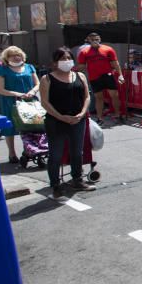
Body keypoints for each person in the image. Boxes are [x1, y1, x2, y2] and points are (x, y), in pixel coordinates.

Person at [39, 47, 93, 196]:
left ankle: (77, 180)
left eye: (69, 58)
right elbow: (45, 102)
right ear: (55, 62)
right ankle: (56, 185)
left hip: (78, 120)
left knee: (77, 152)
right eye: (62, 58)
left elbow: (87, 97)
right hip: (56, 121)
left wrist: (81, 114)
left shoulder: (80, 76)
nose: (66, 61)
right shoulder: (47, 79)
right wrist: (61, 116)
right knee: (55, 155)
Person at [0, 46, 41, 163]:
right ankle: (12, 153)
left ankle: (30, 149)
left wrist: (32, 91)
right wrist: (18, 94)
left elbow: (38, 84)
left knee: (31, 126)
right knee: (10, 128)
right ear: (7, 58)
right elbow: (0, 89)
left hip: (30, 101)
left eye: (18, 55)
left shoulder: (29, 67)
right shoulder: (2, 70)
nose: (16, 57)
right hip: (10, 102)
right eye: (12, 55)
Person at [76, 32, 125, 124]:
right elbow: (81, 66)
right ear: (88, 40)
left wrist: (120, 75)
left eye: (97, 39)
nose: (95, 41)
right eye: (93, 39)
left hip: (108, 75)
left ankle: (118, 115)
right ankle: (99, 118)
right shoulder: (84, 52)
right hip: (94, 77)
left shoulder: (108, 49)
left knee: (114, 95)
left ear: (100, 39)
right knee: (99, 98)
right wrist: (74, 71)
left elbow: (115, 63)